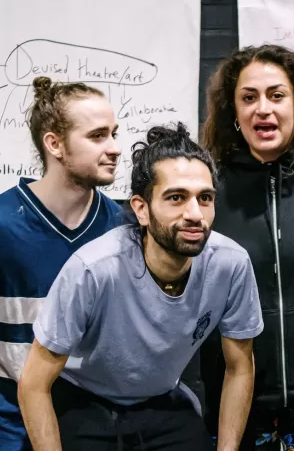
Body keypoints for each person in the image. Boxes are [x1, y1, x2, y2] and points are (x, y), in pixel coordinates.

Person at [18, 122, 263, 451]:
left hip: (160, 401)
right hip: (81, 400)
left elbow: (240, 367)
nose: (195, 214)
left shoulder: (231, 264)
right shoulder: (93, 269)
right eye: (176, 197)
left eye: (205, 198)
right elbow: (33, 385)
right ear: (142, 209)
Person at [201, 43, 294, 451]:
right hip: (238, 418)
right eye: (248, 98)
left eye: (276, 95)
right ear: (234, 112)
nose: (262, 108)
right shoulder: (208, 192)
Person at [0, 76, 122, 451]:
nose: (115, 148)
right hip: (12, 424)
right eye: (98, 136)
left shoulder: (121, 226)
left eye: (114, 133)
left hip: (98, 424)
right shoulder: (4, 224)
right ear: (54, 143)